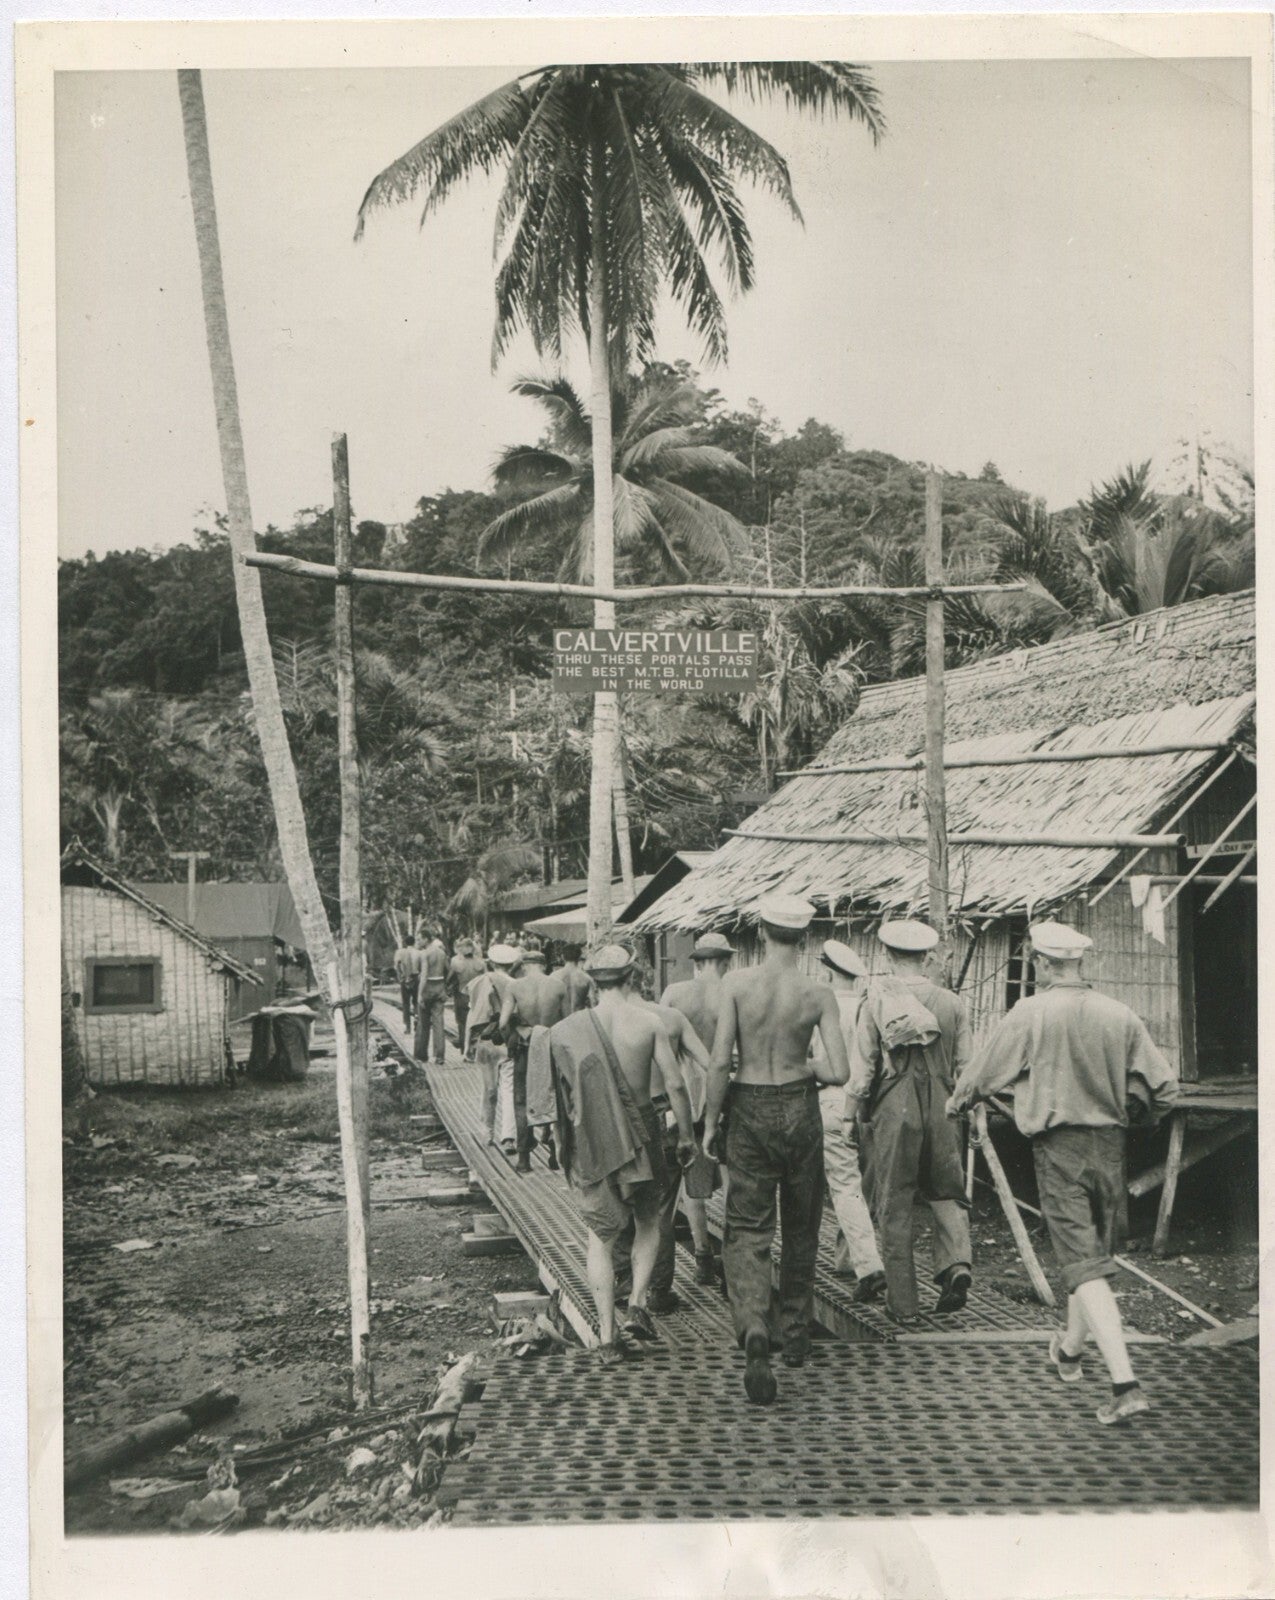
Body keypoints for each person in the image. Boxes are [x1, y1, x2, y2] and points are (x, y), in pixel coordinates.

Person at [946, 921, 1179, 1425]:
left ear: (1042, 964)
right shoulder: (1119, 1014)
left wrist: (958, 1100)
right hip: (1112, 1148)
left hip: (1059, 1149)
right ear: (1082, 963)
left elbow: (984, 1073)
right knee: (1090, 1257)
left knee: (1084, 1265)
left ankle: (1125, 1384)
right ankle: (1070, 1350)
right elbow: (1164, 1089)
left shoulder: (1031, 1011)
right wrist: (1140, 1115)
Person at [702, 895, 850, 1406]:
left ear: (761, 933)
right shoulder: (819, 992)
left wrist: (707, 1121)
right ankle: (797, 1336)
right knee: (803, 1222)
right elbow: (841, 1072)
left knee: (746, 1228)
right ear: (804, 938)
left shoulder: (737, 985)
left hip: (749, 1107)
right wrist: (806, 1067)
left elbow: (720, 1060)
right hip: (799, 1107)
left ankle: (754, 1329)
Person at [547, 945, 697, 1364]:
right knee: (649, 1221)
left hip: (592, 1137)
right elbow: (676, 1085)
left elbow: (560, 1099)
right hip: (644, 1129)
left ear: (594, 981)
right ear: (632, 975)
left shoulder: (568, 1029)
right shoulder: (649, 1022)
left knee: (600, 1236)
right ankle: (638, 1303)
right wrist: (685, 1136)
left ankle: (608, 1337)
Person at [851, 919, 974, 1325]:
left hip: (895, 1106)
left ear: (888, 955)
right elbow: (966, 1066)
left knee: (895, 1200)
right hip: (944, 1103)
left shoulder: (876, 1000)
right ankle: (956, 1264)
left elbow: (865, 1068)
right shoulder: (952, 1003)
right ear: (926, 958)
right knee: (946, 1190)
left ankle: (903, 1306)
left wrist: (853, 1110)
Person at [612, 987, 714, 1309]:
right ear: (643, 982)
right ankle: (657, 1291)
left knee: (620, 1201)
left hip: (619, 1117)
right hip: (662, 1116)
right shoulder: (671, 1018)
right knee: (660, 1207)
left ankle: (623, 1284)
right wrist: (693, 1130)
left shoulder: (602, 1020)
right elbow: (709, 1065)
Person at [659, 932, 736, 1287]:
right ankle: (736, 1256)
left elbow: (663, 1049)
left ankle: (703, 1253)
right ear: (725, 961)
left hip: (687, 1091)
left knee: (693, 1175)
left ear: (697, 962)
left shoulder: (675, 994)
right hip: (727, 1088)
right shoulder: (734, 993)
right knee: (735, 1172)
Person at [812, 940, 886, 1304]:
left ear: (827, 971)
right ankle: (845, 1258)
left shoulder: (817, 1007)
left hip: (830, 1098)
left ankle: (869, 1267)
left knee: (842, 1185)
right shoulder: (869, 1006)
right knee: (860, 1185)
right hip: (868, 1105)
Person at [499, 946, 568, 1173]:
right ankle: (555, 1153)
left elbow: (502, 1023)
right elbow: (568, 1021)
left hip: (525, 1049)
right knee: (556, 1098)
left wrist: (510, 1039)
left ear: (524, 966)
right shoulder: (558, 985)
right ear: (544, 965)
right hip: (551, 1047)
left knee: (522, 1101)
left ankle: (524, 1158)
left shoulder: (514, 986)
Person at [468, 944, 520, 1144]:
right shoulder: (516, 984)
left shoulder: (479, 982)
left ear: (491, 962)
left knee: (489, 1089)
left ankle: (487, 1131)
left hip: (486, 1040)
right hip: (508, 1039)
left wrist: (467, 1045)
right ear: (512, 964)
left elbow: (472, 1016)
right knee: (509, 1088)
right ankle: (508, 1135)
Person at [414, 929, 451, 1065]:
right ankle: (440, 1056)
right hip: (439, 987)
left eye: (419, 939)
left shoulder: (425, 954)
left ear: (426, 939)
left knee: (423, 1023)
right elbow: (449, 970)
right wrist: (446, 987)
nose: (418, 942)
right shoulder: (442, 953)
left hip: (428, 988)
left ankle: (422, 1055)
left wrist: (419, 994)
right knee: (439, 1023)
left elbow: (423, 976)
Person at [448, 937, 486, 1060]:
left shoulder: (456, 962)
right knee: (479, 1022)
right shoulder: (481, 963)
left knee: (463, 1024)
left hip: (462, 995)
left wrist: (447, 988)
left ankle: (465, 1052)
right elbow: (487, 978)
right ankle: (476, 1051)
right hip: (478, 996)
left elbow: (450, 979)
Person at [393, 934, 422, 1032]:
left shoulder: (400, 952)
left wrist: (400, 978)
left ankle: (407, 1026)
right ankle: (417, 1020)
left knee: (406, 1003)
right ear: (414, 942)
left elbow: (396, 966)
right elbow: (422, 968)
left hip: (404, 978)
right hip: (416, 978)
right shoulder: (419, 953)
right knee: (416, 1001)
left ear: (405, 943)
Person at [558, 945, 597, 1014]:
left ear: (562, 957)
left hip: (560, 1021)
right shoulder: (587, 978)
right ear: (579, 957)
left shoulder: (554, 977)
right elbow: (593, 1002)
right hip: (578, 1019)